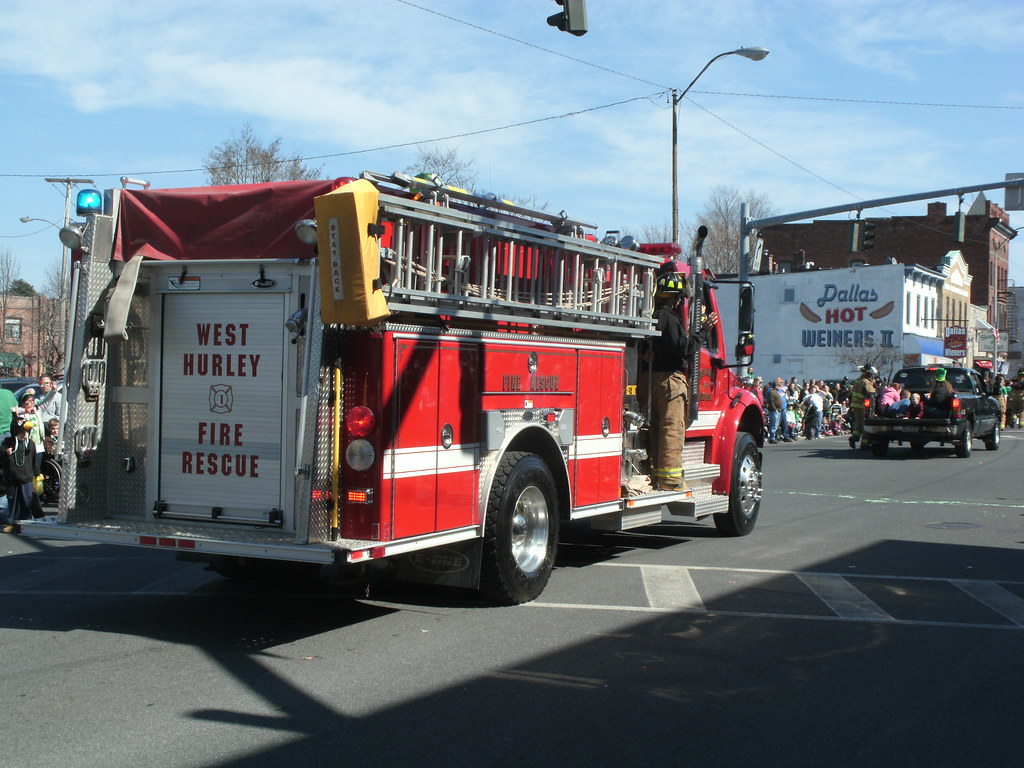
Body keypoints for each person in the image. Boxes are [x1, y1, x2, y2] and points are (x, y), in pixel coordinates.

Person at [638, 271, 714, 491]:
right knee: (672, 428)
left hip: (648, 379)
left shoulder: (649, 316)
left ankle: (655, 474)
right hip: (670, 380)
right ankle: (671, 480)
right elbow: (684, 348)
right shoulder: (669, 318)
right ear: (676, 298)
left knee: (653, 427)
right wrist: (703, 332)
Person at [1, 418, 42, 533]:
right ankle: (12, 523)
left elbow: (34, 460)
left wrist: (37, 473)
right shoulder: (7, 443)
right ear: (15, 432)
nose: (25, 435)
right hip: (12, 477)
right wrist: (6, 452)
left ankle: (26, 522)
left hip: (26, 478)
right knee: (13, 500)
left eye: (26, 432)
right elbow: (1, 460)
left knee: (26, 500)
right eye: (22, 432)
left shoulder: (30, 444)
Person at [848, 364, 877, 448]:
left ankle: (854, 437)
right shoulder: (866, 382)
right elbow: (871, 394)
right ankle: (865, 444)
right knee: (865, 426)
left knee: (859, 425)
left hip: (856, 406)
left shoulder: (857, 380)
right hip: (864, 407)